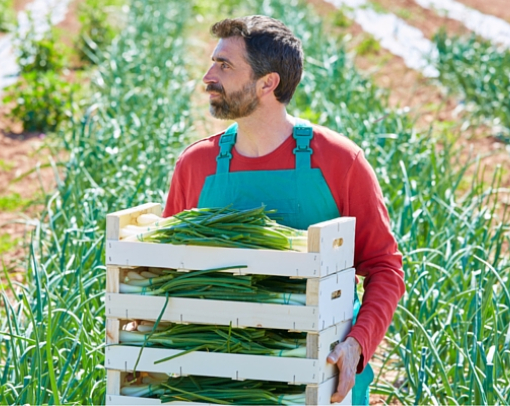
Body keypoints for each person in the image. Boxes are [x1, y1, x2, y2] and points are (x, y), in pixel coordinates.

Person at [163, 15, 405, 404]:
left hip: (319, 379)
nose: (208, 76)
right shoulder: (197, 164)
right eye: (212, 62)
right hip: (218, 381)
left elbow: (384, 267)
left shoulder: (339, 161)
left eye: (224, 65)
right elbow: (165, 270)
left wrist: (356, 346)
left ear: (267, 83)